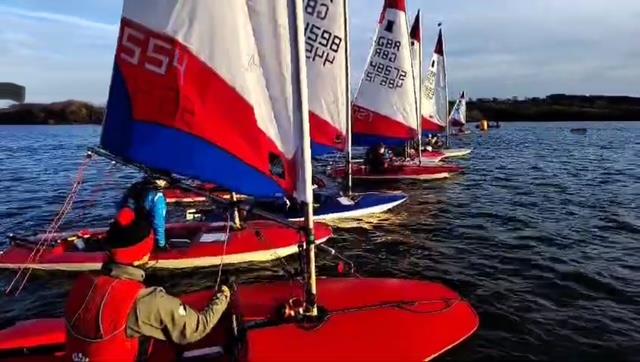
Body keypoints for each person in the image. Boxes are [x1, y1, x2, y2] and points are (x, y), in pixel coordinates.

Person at [64, 208, 230, 361]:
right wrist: (224, 296)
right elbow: (195, 329)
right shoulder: (147, 301)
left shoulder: (83, 282)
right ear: (141, 254)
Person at [118, 175, 169, 250]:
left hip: (123, 232)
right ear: (161, 181)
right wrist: (161, 245)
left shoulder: (135, 187)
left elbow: (120, 207)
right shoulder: (158, 197)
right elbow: (158, 223)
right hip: (141, 237)